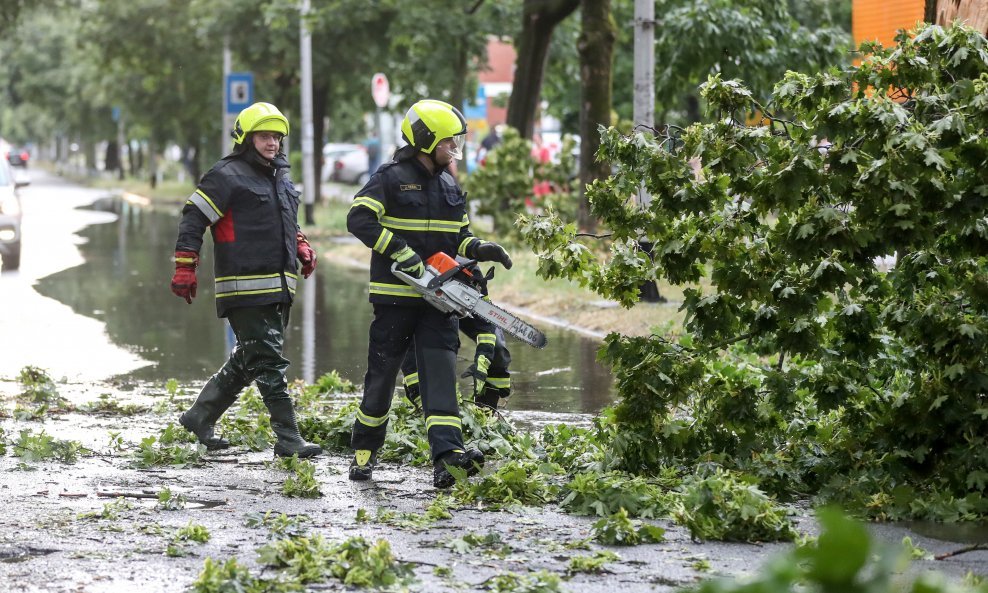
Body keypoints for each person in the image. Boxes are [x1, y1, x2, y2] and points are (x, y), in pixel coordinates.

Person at [346, 99, 514, 488]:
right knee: (382, 378)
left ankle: (447, 458)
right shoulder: (389, 178)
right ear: (425, 139)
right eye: (447, 142)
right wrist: (400, 251)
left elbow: (460, 237)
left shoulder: (450, 185)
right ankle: (364, 452)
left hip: (440, 299)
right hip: (394, 298)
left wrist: (480, 248)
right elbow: (359, 218)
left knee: (441, 377)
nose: (453, 149)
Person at [170, 101, 321, 459]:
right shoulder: (225, 175)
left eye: (277, 137)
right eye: (265, 136)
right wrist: (185, 265)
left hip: (279, 285)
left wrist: (300, 244)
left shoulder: (280, 175)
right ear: (246, 138)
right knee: (268, 361)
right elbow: (194, 218)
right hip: (245, 287)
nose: (273, 143)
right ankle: (288, 437)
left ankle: (199, 416)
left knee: (249, 357)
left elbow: (286, 219)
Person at [402, 260, 512, 411]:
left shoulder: (471, 272)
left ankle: (486, 411)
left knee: (497, 347)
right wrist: (415, 386)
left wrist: (484, 356)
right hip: (430, 302)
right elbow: (405, 341)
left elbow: (486, 323)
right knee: (442, 351)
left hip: (463, 306)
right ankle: (422, 405)